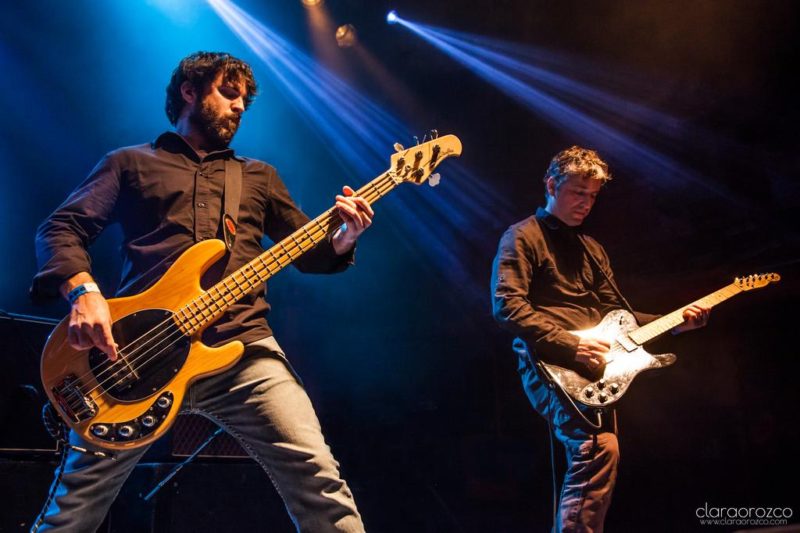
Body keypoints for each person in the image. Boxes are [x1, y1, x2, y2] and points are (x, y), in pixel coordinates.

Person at [30, 51, 373, 532]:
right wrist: (84, 292)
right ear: (189, 91)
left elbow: (310, 252)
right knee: (73, 511)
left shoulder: (259, 177)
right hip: (134, 357)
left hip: (244, 350)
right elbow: (61, 228)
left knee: (320, 482)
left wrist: (344, 238)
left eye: (244, 100)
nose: (239, 106)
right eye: (228, 93)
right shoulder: (130, 163)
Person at [490, 146, 709, 532]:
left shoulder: (592, 249)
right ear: (551, 186)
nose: (586, 203)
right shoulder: (522, 236)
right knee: (596, 447)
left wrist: (675, 324)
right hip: (549, 363)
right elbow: (507, 306)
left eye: (592, 196)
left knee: (601, 450)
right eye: (578, 192)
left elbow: (619, 316)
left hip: (595, 368)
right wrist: (571, 344)